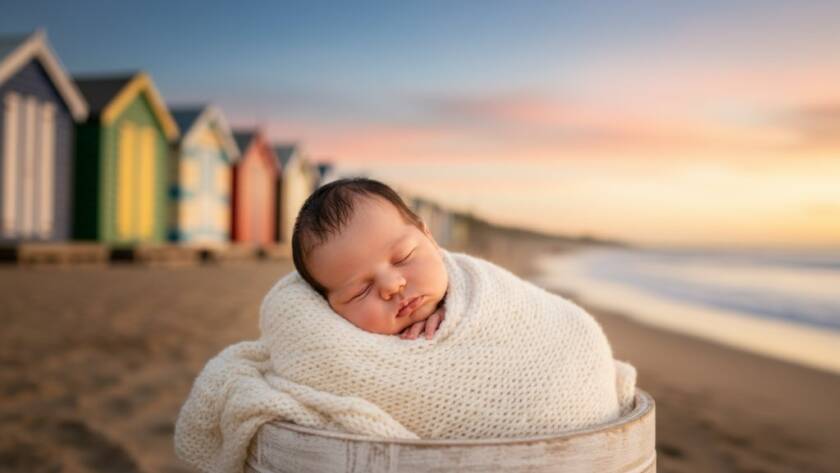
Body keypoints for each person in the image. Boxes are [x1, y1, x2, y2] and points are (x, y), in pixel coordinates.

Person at [291, 177, 449, 340]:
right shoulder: (329, 347)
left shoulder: (473, 295)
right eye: (361, 292)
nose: (392, 286)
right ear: (328, 307)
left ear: (429, 237)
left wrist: (452, 314)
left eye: (403, 257)